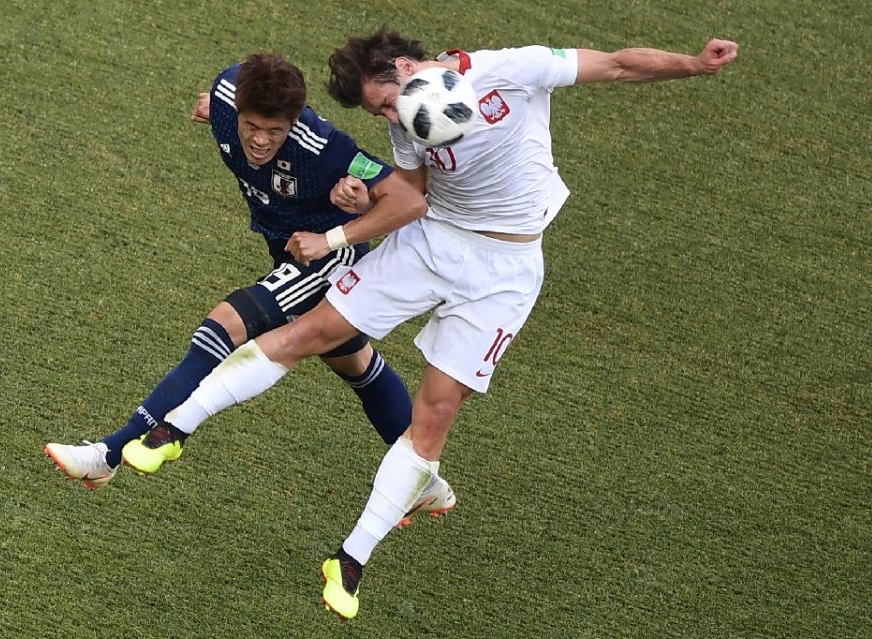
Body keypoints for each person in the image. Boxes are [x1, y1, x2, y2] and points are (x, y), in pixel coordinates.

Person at [151, 29, 739, 619]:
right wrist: (359, 206)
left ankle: (350, 561)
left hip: (506, 272)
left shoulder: (511, 69)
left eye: (385, 100)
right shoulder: (403, 123)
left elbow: (614, 66)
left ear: (406, 66)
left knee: (435, 413)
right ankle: (174, 430)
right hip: (432, 244)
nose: (389, 116)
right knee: (314, 330)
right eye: (379, 111)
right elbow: (411, 194)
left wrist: (693, 64)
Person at [43, 52, 456, 521]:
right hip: (283, 248)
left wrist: (335, 234)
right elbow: (222, 100)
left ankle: (109, 454)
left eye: (275, 132)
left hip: (326, 258)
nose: (261, 142)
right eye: (251, 127)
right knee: (353, 361)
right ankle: (424, 481)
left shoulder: (324, 146)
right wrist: (217, 116)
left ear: (294, 121)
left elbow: (408, 201)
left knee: (223, 327)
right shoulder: (224, 96)